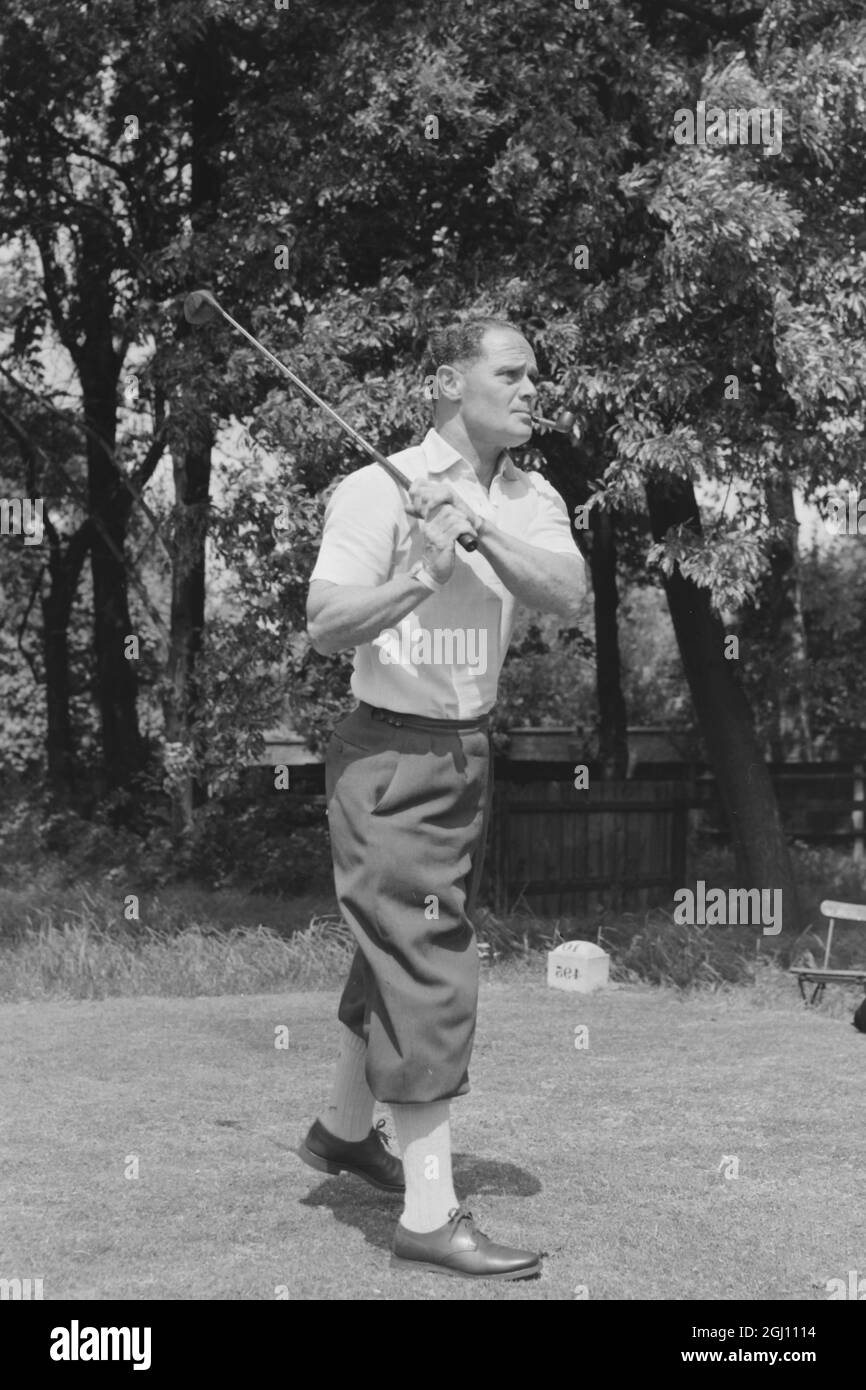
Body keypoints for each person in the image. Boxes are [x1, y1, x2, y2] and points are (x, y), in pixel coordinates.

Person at [298, 317, 586, 1279]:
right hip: (388, 757)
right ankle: (428, 1214)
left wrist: (482, 529)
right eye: (510, 373)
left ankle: (344, 1131)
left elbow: (568, 593)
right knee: (426, 961)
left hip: (466, 756)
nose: (531, 388)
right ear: (446, 382)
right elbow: (327, 623)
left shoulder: (531, 495)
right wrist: (422, 568)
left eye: (534, 376)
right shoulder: (374, 490)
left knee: (394, 947)